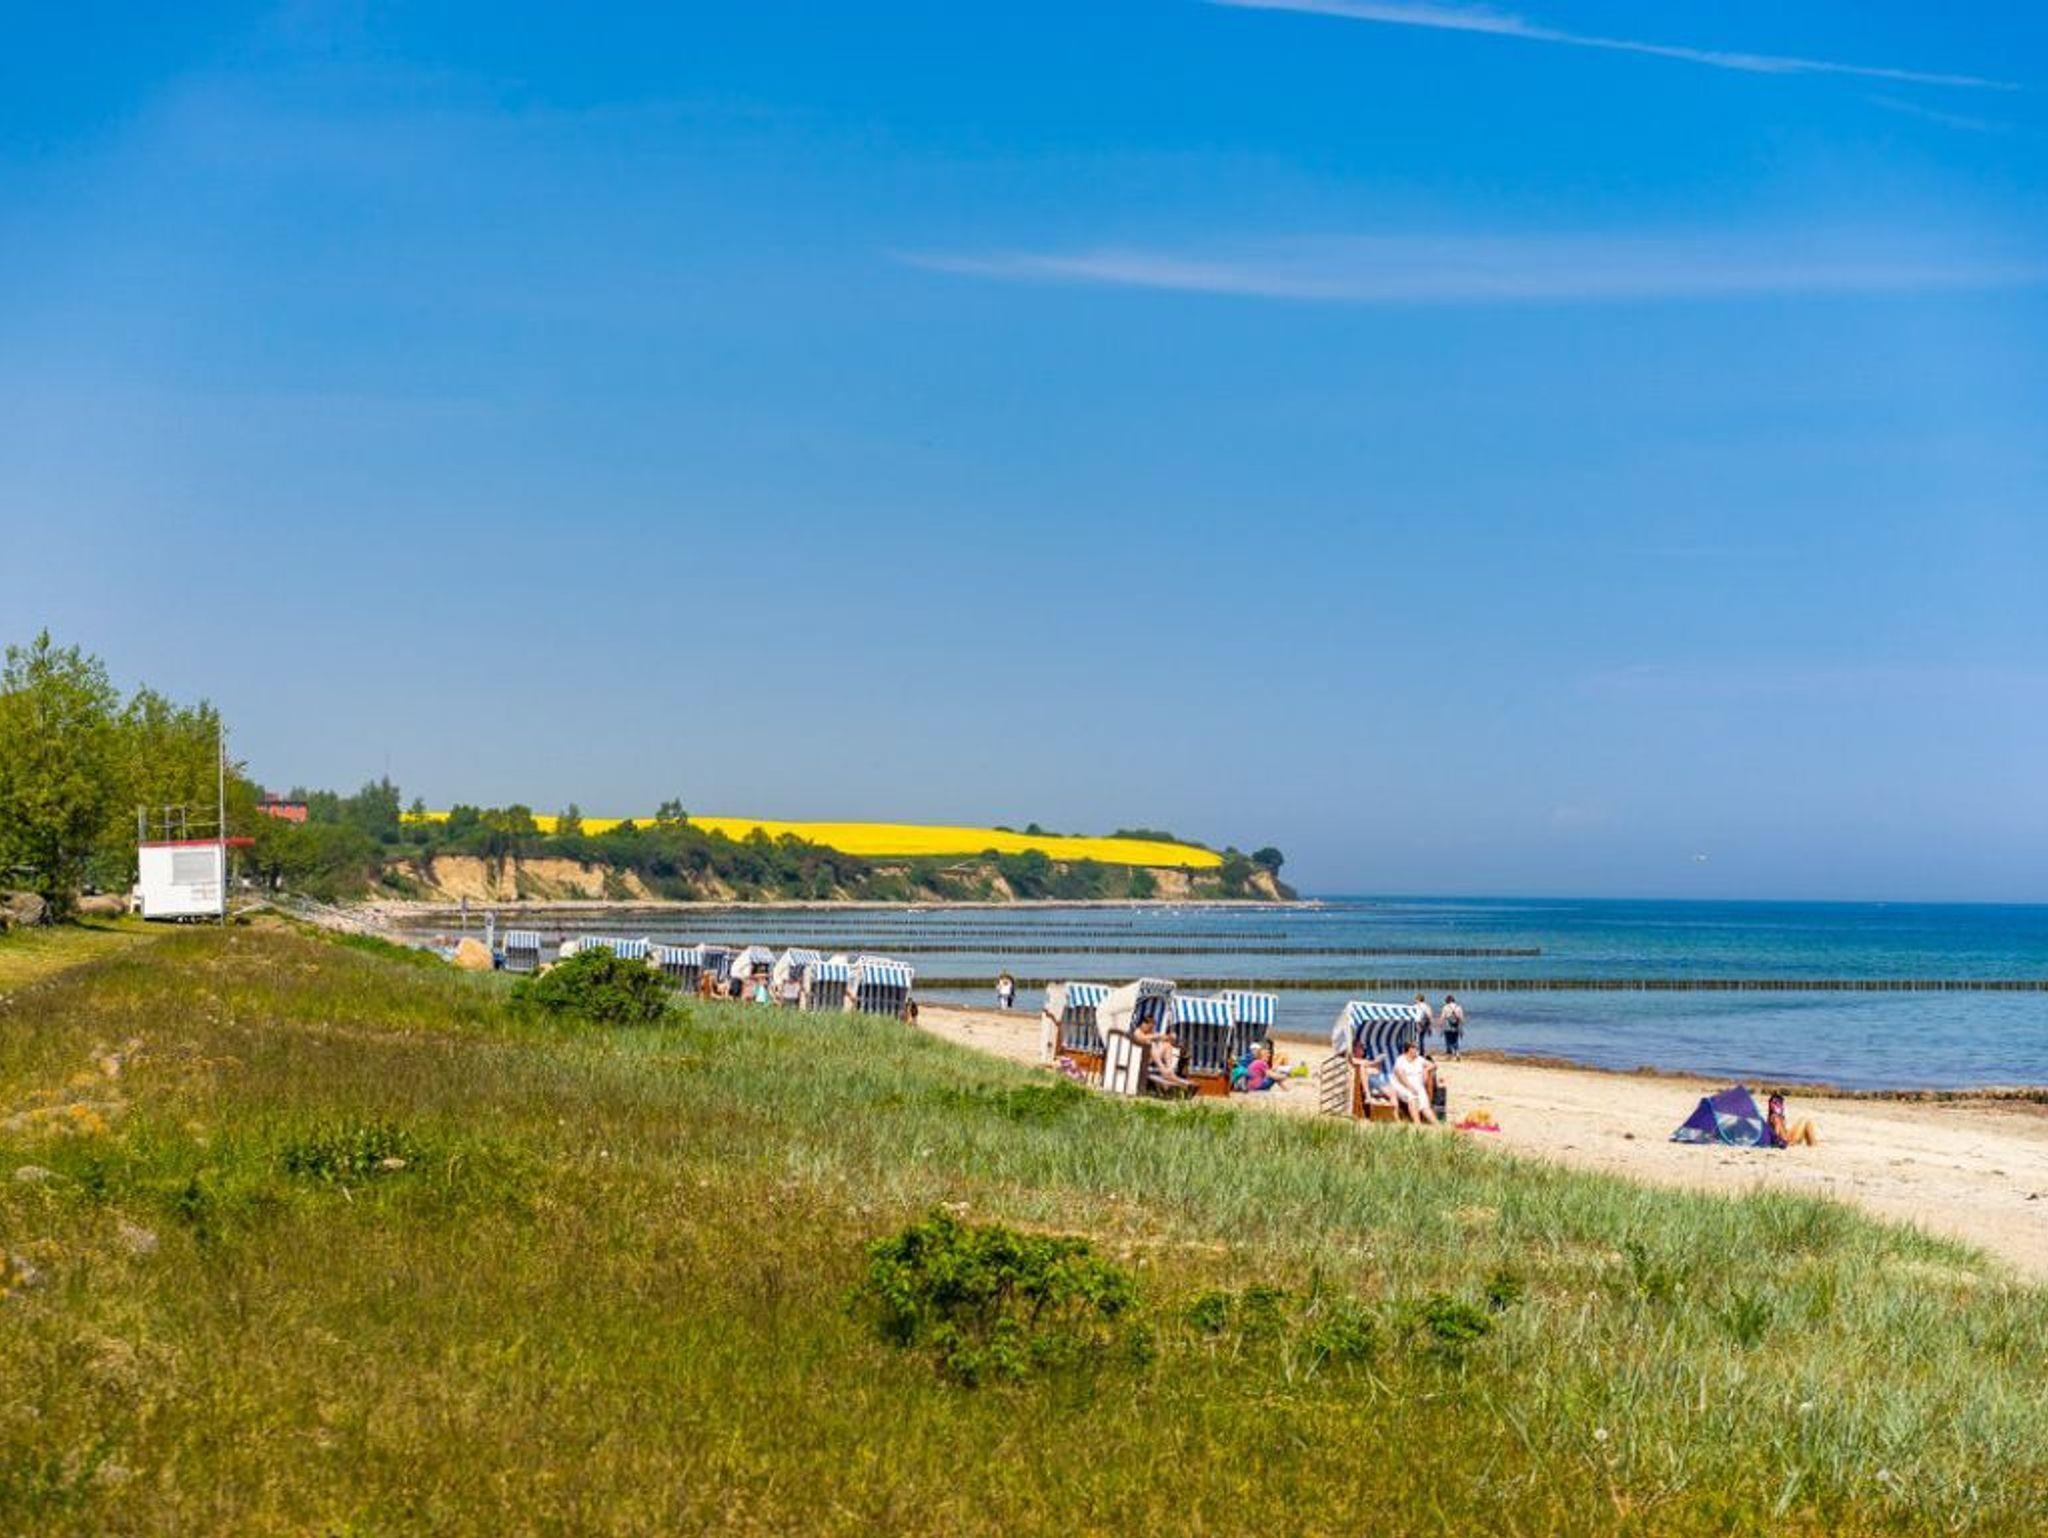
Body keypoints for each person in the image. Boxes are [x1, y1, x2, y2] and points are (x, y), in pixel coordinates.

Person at [1390, 1041, 1438, 1125]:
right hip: (1403, 1086)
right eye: (1415, 1048)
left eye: (1417, 1048)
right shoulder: (1400, 1060)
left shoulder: (1419, 1059)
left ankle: (1437, 1125)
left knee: (1425, 1105)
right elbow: (1400, 1076)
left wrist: (1426, 1069)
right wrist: (1410, 1087)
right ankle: (1417, 1124)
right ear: (1409, 1049)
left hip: (1418, 1086)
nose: (1417, 1050)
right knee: (1412, 1098)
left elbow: (1434, 1065)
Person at [1441, 995, 1465, 1059]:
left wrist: (1440, 1025)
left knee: (1448, 1040)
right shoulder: (1459, 1007)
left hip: (1447, 1026)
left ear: (1447, 1000)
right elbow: (1461, 1018)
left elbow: (1442, 1017)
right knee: (1455, 1040)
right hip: (1456, 1026)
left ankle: (1450, 1054)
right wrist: (1461, 1026)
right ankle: (1457, 1053)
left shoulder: (1445, 1007)